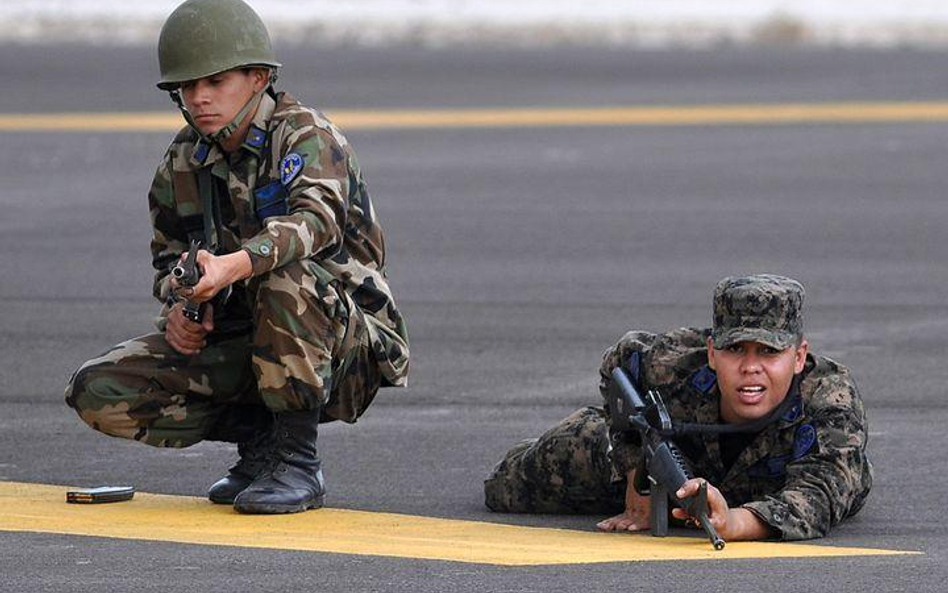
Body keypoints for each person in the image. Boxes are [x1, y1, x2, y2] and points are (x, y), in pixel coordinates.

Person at [64, 0, 409, 515]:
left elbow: (316, 224)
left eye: (216, 81)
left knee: (280, 273)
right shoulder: (184, 160)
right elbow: (168, 260)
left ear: (257, 78)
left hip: (345, 347)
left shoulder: (305, 136)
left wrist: (235, 264)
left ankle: (297, 462)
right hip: (244, 339)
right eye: (187, 87)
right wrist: (181, 307)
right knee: (98, 387)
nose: (199, 98)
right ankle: (262, 444)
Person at [484, 274, 872, 541]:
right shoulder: (673, 361)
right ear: (711, 351)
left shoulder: (830, 398)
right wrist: (637, 465)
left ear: (799, 356)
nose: (751, 366)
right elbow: (618, 361)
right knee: (506, 489)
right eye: (735, 349)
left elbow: (816, 498)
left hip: (771, 487)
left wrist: (732, 522)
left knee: (840, 495)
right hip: (665, 464)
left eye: (769, 352)